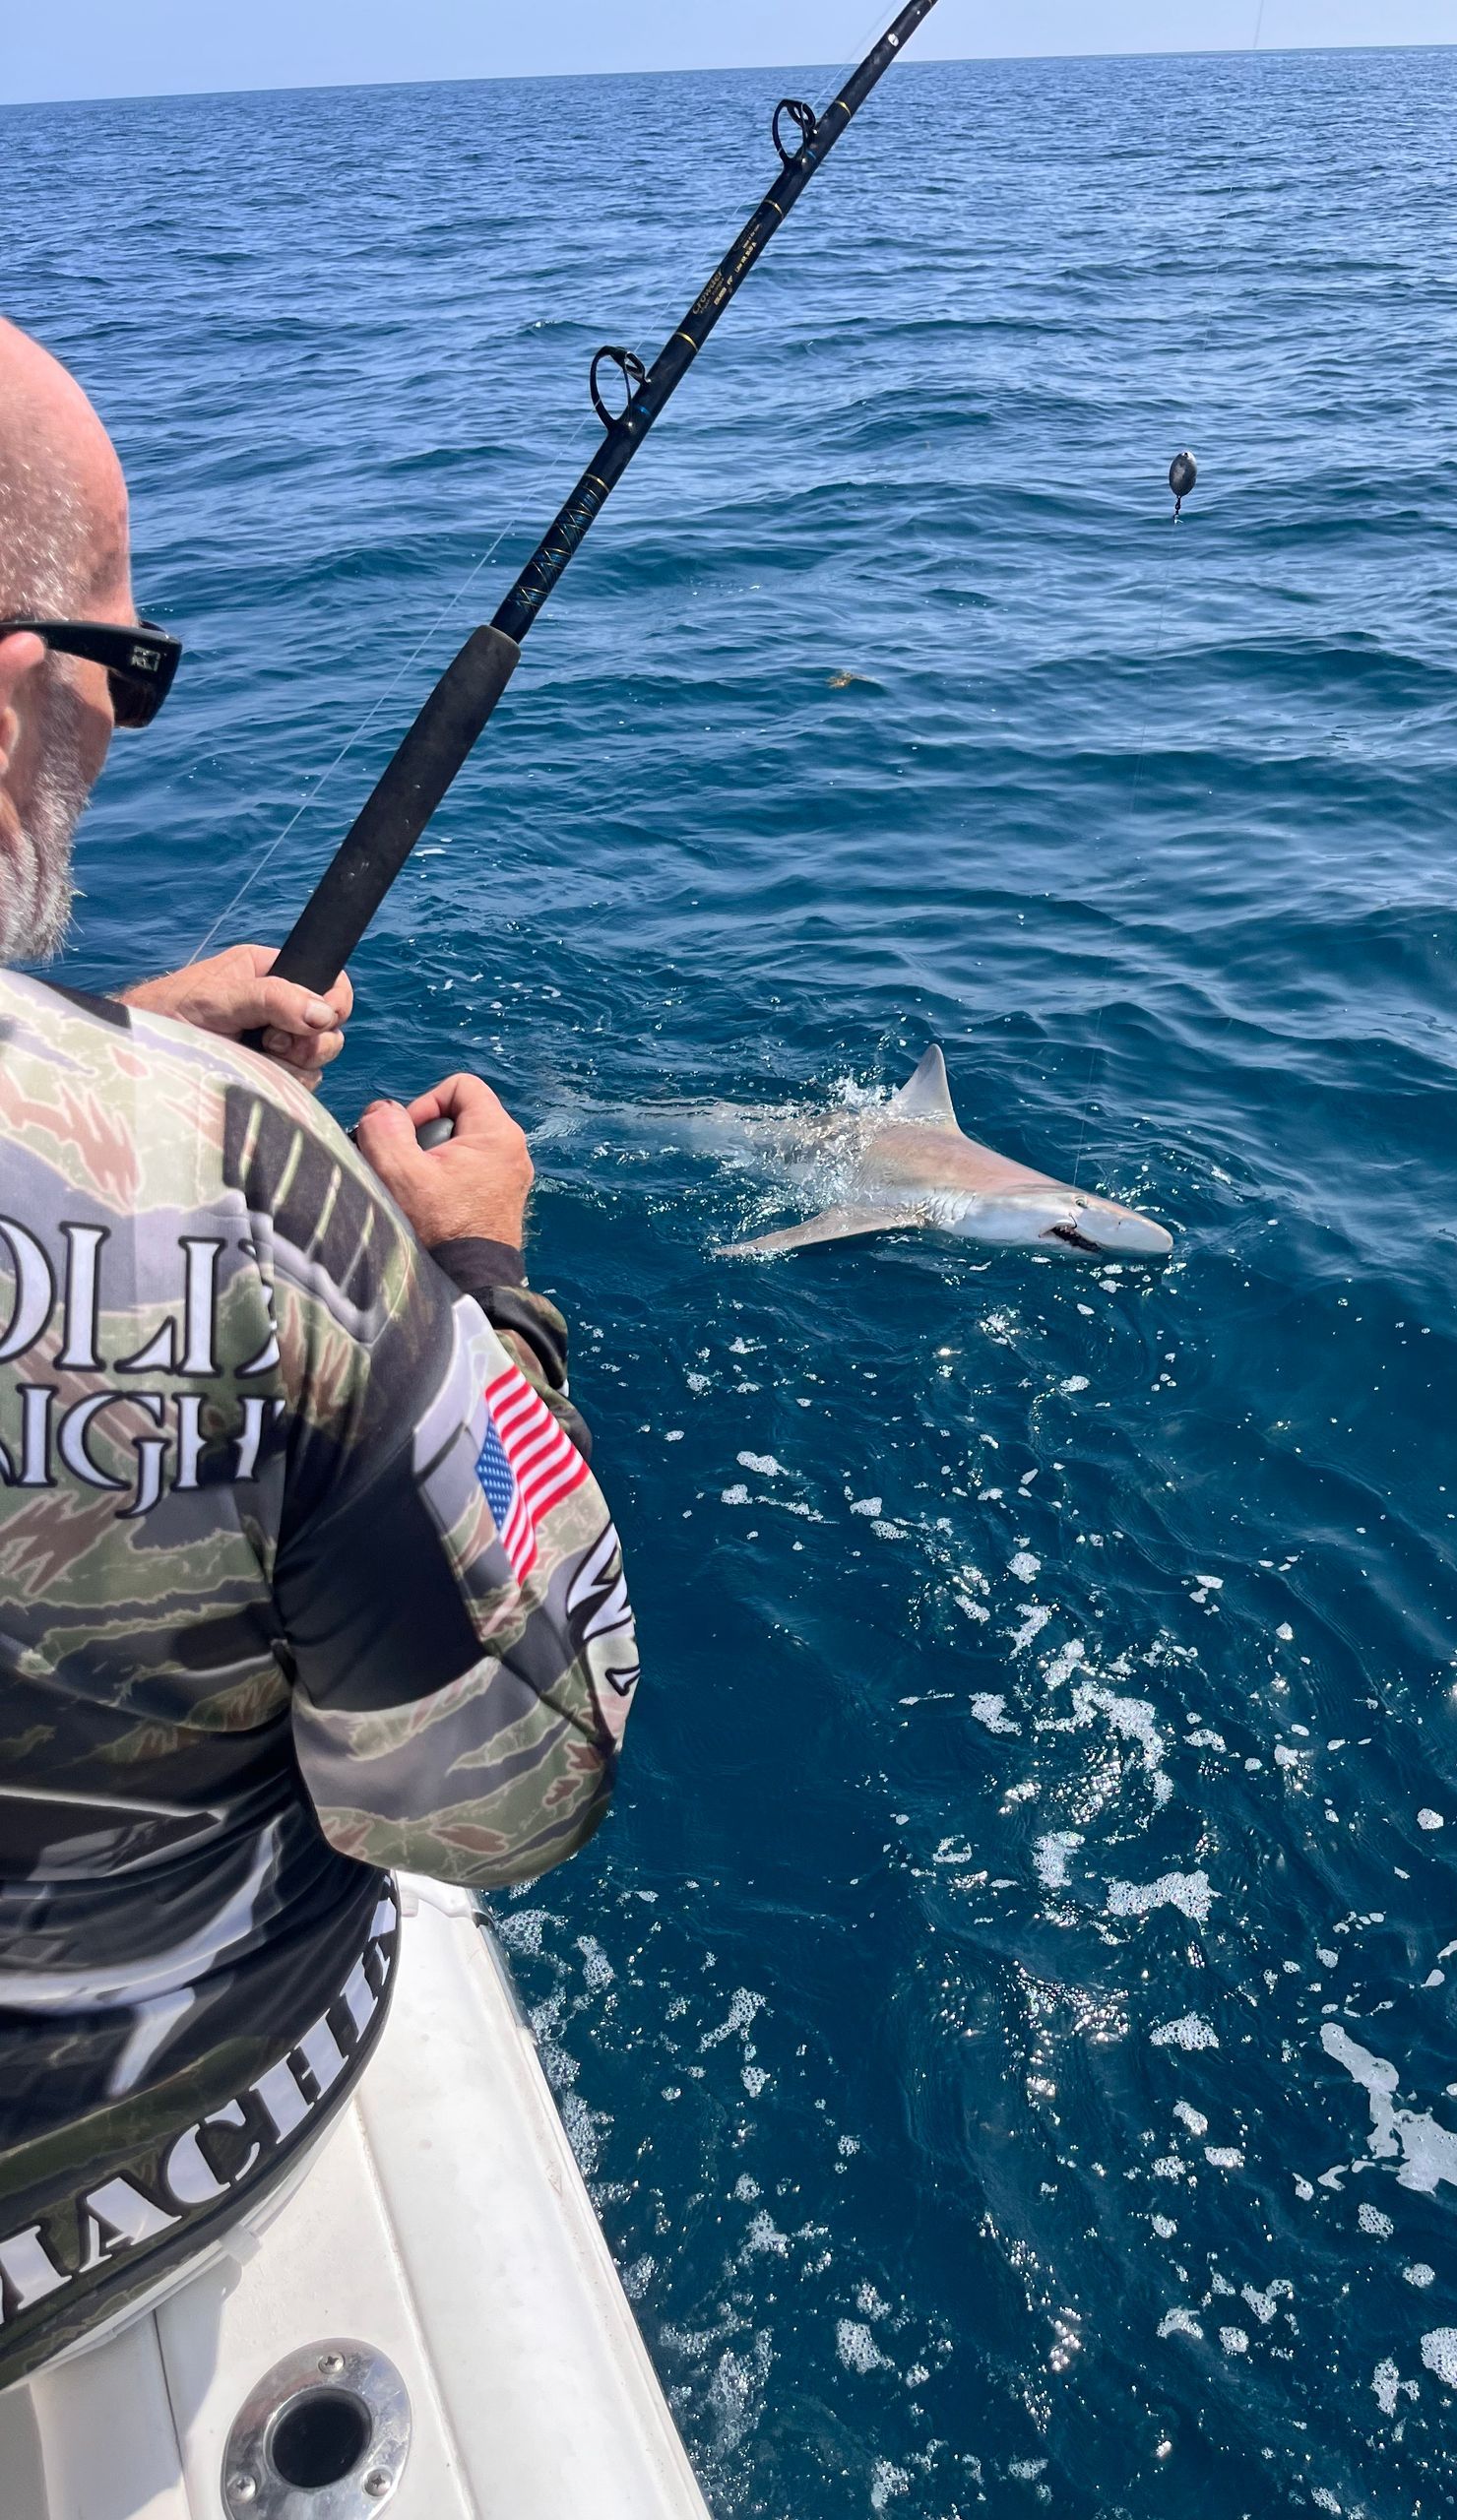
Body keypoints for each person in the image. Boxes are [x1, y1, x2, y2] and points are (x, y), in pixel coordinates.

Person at [0, 316, 639, 2385]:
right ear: (14, 672)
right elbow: (518, 1787)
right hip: (109, 2192)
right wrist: (470, 1280)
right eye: (121, 660)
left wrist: (108, 1060)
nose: (121, 720)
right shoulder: (264, 1205)